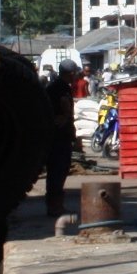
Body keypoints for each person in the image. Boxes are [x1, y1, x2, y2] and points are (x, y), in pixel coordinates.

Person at [43, 59, 79, 216]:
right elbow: (66, 111)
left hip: (54, 134)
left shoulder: (52, 87)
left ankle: (54, 205)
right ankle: (55, 206)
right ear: (71, 74)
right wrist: (71, 131)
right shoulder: (62, 89)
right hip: (59, 136)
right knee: (59, 170)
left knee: (56, 171)